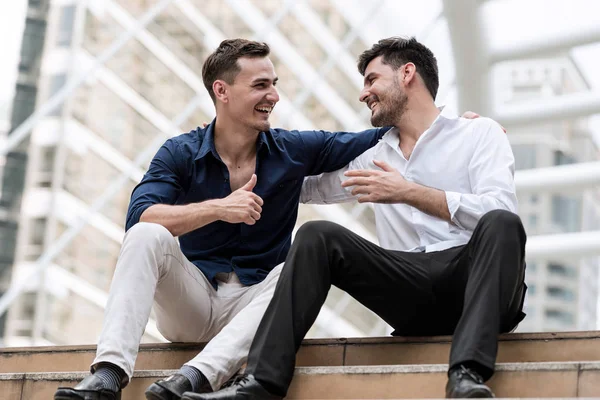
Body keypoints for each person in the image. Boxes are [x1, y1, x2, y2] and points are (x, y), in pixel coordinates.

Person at [187, 37, 527, 400]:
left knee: (502, 222)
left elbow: (499, 210)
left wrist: (407, 191)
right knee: (318, 235)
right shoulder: (375, 156)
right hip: (410, 289)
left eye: (371, 79)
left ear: (407, 73)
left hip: (478, 281)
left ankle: (466, 375)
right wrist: (232, 145)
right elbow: (298, 187)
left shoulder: (478, 133)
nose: (364, 93)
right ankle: (259, 384)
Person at [53, 38, 391, 400]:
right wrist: (219, 207)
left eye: (274, 84)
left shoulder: (293, 149)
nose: (274, 96)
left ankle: (193, 378)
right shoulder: (180, 151)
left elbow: (379, 137)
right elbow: (141, 217)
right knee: (146, 235)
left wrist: (454, 126)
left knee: (301, 261)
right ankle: (108, 375)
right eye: (261, 86)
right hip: (193, 303)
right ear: (222, 91)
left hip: (255, 309)